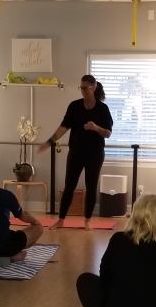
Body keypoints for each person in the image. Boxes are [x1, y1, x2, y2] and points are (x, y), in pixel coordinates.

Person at [38, 74, 113, 231]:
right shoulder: (74, 106)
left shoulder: (103, 109)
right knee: (69, 186)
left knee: (91, 186)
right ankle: (61, 220)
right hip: (76, 152)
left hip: (95, 154)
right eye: (81, 88)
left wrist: (95, 128)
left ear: (94, 87)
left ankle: (87, 221)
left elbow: (108, 133)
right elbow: (64, 127)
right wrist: (49, 141)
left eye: (86, 88)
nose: (83, 91)